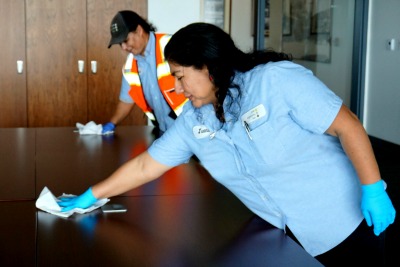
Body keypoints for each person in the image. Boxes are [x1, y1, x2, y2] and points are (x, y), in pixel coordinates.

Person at [59, 23, 396, 266]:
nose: (176, 87)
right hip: (283, 236)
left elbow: (347, 125)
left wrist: (373, 188)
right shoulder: (194, 120)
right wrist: (92, 195)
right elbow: (146, 165)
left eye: (179, 75)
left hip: (346, 222)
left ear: (208, 68)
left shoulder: (274, 80)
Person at [102, 10, 187, 135]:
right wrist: (112, 123)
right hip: (163, 132)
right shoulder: (130, 67)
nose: (123, 48)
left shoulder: (172, 45)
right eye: (120, 44)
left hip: (190, 127)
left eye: (125, 40)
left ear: (139, 30)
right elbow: (126, 100)